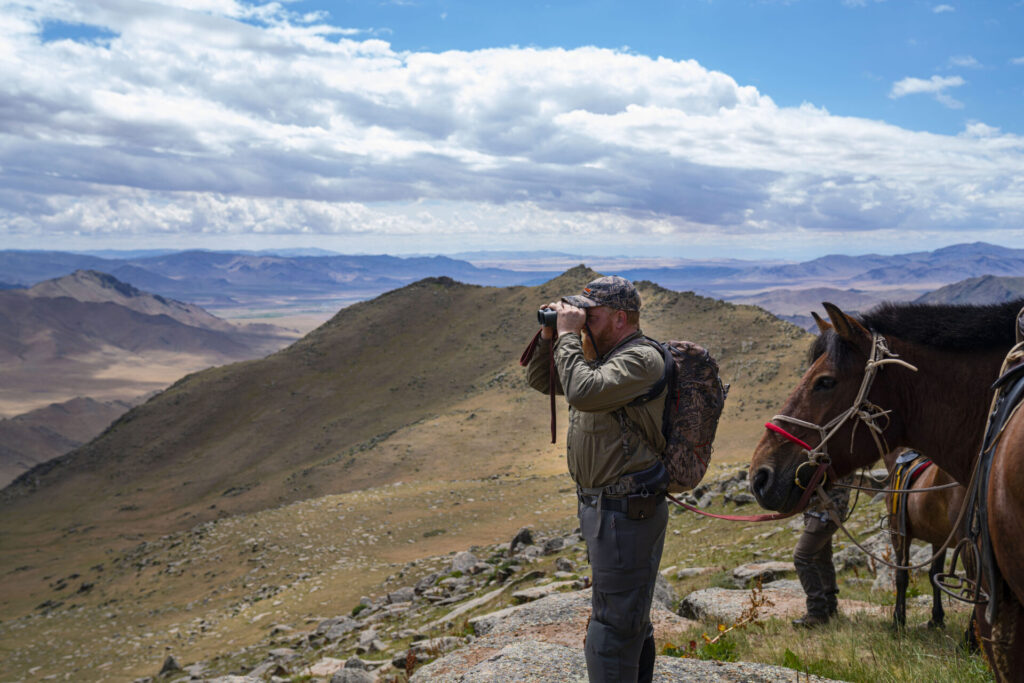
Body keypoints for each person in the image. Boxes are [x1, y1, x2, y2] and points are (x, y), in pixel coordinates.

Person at [525, 275, 669, 683]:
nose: (583, 321)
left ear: (621, 318)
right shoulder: (597, 355)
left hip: (627, 512)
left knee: (609, 632)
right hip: (606, 511)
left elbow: (582, 393)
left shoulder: (641, 359)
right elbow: (543, 380)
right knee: (626, 617)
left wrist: (570, 336)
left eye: (592, 315)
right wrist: (551, 335)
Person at [791, 475, 852, 628]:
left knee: (802, 556)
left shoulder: (836, 454)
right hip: (823, 510)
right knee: (821, 557)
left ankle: (817, 613)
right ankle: (829, 607)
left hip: (825, 512)